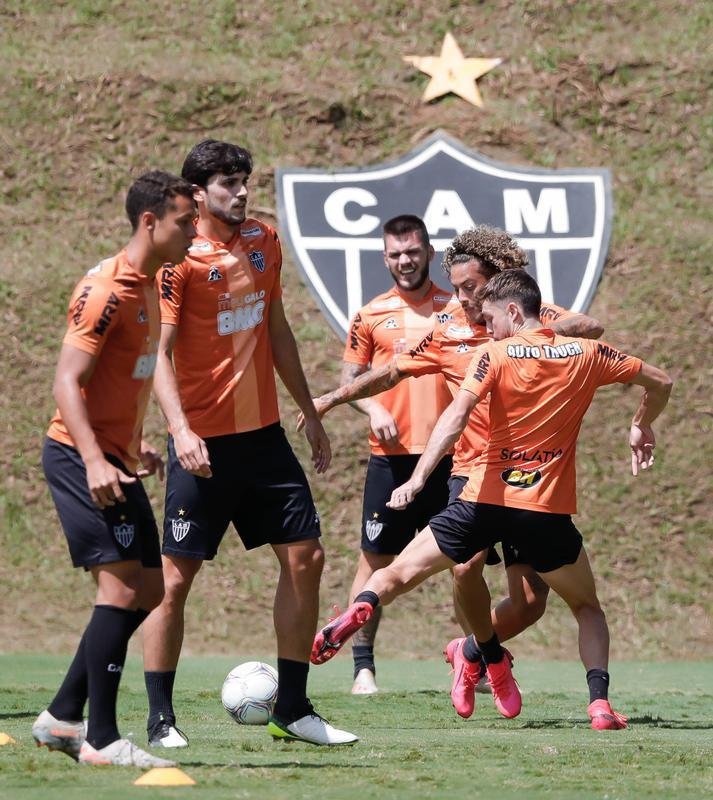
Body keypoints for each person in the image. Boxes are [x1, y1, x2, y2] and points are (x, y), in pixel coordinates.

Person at [311, 269, 672, 729]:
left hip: (481, 500)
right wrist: (642, 422)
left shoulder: (492, 355)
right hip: (544, 511)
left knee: (398, 572)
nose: (488, 328)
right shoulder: (587, 353)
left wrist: (420, 478)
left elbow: (455, 416)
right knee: (587, 607)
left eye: (493, 318)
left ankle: (361, 605)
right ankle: (599, 703)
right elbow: (661, 381)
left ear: (514, 312)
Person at [141, 139, 356, 748]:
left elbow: (278, 327)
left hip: (263, 438)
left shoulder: (264, 242)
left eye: (244, 181)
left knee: (306, 557)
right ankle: (160, 719)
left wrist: (311, 411)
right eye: (227, 184)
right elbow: (157, 355)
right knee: (174, 580)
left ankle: (293, 707)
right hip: (202, 445)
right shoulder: (178, 261)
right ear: (197, 194)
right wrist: (180, 430)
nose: (240, 192)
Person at [32, 171, 196, 767]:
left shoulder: (152, 283)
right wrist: (97, 458)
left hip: (114, 458)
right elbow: (66, 382)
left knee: (149, 588)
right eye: (184, 221)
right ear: (149, 221)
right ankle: (98, 738)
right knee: (122, 585)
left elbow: (127, 376)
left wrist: (133, 447)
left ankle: (60, 716)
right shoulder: (105, 290)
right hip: (79, 458)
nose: (193, 231)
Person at [334, 214, 455, 695]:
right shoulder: (370, 314)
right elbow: (350, 383)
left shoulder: (458, 307)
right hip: (392, 457)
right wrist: (371, 408)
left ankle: (479, 660)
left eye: (413, 251)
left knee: (466, 563)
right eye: (395, 254)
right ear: (385, 257)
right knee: (374, 561)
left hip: (452, 456)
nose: (405, 260)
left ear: (429, 252)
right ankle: (362, 665)